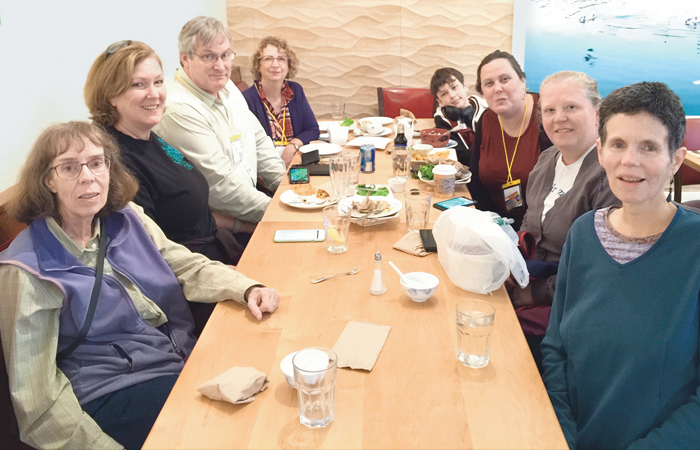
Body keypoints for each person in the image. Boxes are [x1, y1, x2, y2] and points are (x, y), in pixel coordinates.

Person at [0, 121, 281, 450]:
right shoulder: (28, 270)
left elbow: (183, 263)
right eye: (69, 167)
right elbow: (38, 403)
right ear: (48, 180)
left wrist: (246, 288)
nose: (88, 176)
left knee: (271, 388)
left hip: (174, 358)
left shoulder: (126, 217)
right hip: (111, 391)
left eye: (96, 163)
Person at [542, 82, 700, 449]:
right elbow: (555, 348)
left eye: (649, 147)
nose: (630, 161)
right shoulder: (583, 234)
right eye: (618, 144)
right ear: (600, 151)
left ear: (675, 159)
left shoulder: (693, 250)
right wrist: (561, 433)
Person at [84, 40, 253, 264]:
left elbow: (194, 211)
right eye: (138, 85)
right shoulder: (116, 162)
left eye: (158, 82)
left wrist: (252, 226)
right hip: (193, 274)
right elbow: (152, 255)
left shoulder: (149, 136)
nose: (154, 94)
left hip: (220, 249)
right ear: (110, 96)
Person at [506, 71, 619, 369]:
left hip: (568, 311)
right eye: (550, 110)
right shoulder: (547, 159)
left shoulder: (610, 177)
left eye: (571, 107)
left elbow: (597, 274)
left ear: (597, 113)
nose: (559, 118)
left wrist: (532, 292)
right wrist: (508, 261)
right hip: (526, 282)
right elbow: (529, 224)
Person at [154, 16, 285, 228]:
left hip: (253, 203)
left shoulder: (227, 86)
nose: (220, 66)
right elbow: (221, 187)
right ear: (185, 58)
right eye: (208, 56)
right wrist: (280, 214)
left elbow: (258, 140)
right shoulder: (178, 110)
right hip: (223, 225)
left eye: (225, 55)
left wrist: (287, 188)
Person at [468, 50, 552, 230]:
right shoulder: (487, 119)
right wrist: (489, 226)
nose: (497, 88)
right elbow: (475, 180)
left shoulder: (546, 116)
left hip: (540, 231)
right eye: (489, 83)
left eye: (505, 79)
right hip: (495, 225)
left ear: (523, 81)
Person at [242, 36, 319, 167]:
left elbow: (312, 129)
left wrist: (292, 146)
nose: (275, 65)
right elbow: (246, 147)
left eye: (281, 59)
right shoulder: (247, 99)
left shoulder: (295, 90)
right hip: (264, 172)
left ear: (288, 65)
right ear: (258, 65)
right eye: (268, 59)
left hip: (296, 166)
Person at [429, 67, 487, 166]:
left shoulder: (487, 110)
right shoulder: (442, 120)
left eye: (454, 87)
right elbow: (459, 157)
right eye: (444, 94)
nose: (452, 95)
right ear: (439, 101)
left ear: (465, 86)